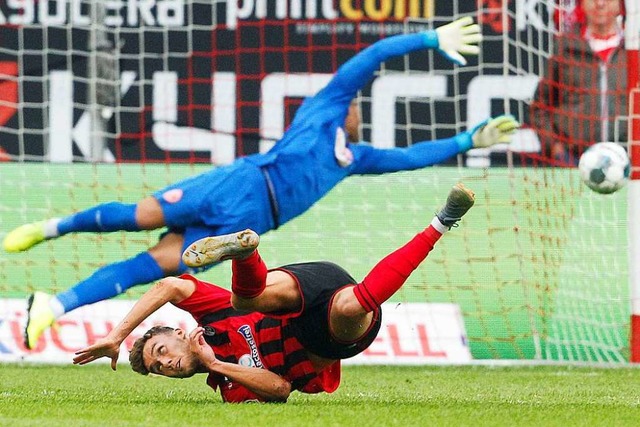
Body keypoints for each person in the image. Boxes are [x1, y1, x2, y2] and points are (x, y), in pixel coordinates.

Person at [5, 17, 520, 350]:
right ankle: (49, 228)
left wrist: (467, 139)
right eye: (358, 104)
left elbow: (410, 157)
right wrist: (429, 39)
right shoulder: (324, 111)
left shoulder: (353, 158)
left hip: (249, 222)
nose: (360, 109)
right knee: (141, 215)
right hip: (241, 184)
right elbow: (370, 59)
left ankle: (54, 306)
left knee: (157, 264)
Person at [72, 183, 475, 403]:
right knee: (353, 305)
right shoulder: (229, 389)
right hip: (326, 334)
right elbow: (280, 389)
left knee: (243, 301)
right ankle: (443, 221)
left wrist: (117, 336)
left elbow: (173, 284)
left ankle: (246, 251)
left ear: (177, 334)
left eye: (161, 353)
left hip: (299, 288)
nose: (167, 365)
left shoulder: (207, 321)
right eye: (160, 370)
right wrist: (217, 365)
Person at [529, 0, 628, 165]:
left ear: (621, 4)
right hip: (574, 162)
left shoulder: (634, 49)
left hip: (628, 161)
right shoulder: (565, 47)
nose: (600, 4)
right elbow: (540, 106)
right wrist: (556, 150)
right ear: (581, 4)